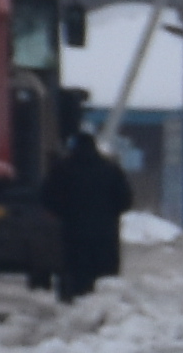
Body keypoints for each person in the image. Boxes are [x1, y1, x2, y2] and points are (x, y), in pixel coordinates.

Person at [41, 118, 130, 303]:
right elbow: (125, 200)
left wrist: (63, 213)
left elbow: (47, 198)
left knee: (74, 274)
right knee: (102, 277)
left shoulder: (62, 170)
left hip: (72, 233)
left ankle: (71, 305)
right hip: (105, 235)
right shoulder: (110, 169)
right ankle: (101, 307)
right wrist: (110, 214)